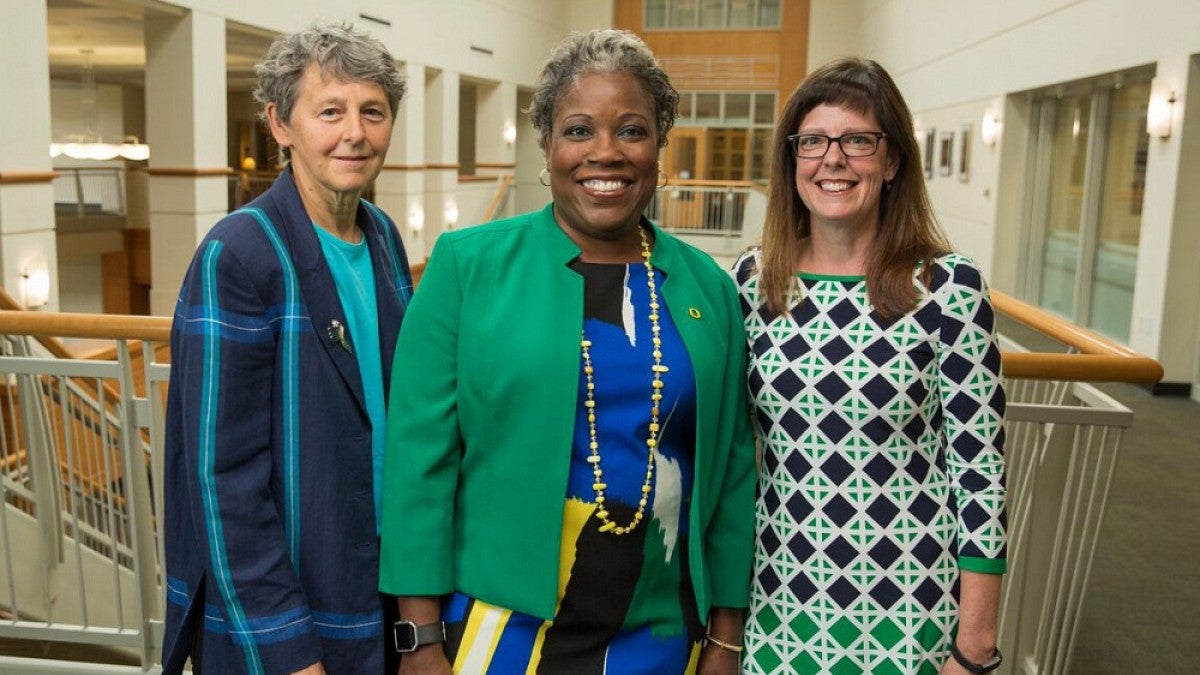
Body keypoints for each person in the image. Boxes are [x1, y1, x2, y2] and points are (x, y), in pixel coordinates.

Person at [379, 29, 755, 675]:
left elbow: (732, 473)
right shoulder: (467, 266)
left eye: (631, 130)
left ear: (660, 144)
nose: (604, 153)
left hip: (664, 633)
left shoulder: (708, 287)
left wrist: (724, 635)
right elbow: (419, 463)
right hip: (500, 628)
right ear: (547, 145)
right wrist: (420, 638)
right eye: (579, 130)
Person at [733, 58, 1007, 675]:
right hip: (778, 600)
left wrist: (977, 646)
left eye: (858, 140)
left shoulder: (948, 289)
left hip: (907, 608)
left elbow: (980, 476)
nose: (834, 159)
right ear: (792, 161)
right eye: (813, 141)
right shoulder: (753, 283)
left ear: (891, 163)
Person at [161, 23, 412, 675]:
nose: (354, 132)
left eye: (373, 112)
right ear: (279, 124)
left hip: (376, 594)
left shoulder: (382, 236)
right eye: (330, 111)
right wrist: (288, 652)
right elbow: (224, 484)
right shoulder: (237, 256)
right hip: (285, 624)